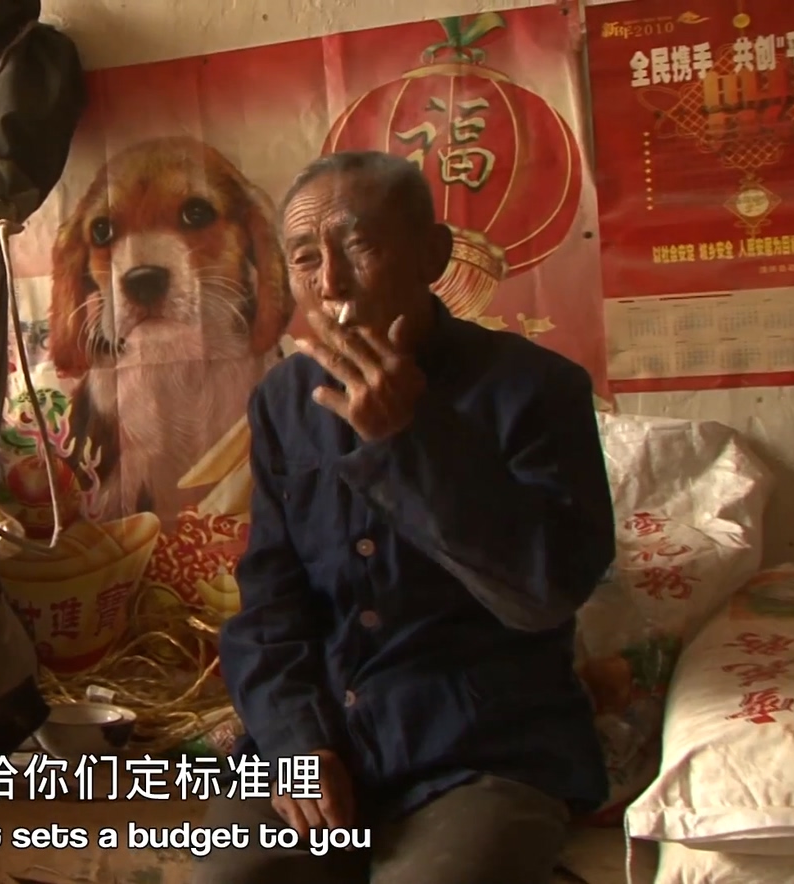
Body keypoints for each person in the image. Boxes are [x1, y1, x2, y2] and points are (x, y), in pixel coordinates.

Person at [194, 151, 615, 884]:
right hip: (328, 733)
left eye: (359, 245)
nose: (331, 284)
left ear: (433, 255)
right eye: (305, 258)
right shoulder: (285, 402)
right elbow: (269, 605)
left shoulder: (536, 388)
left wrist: (407, 442)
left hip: (482, 747)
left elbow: (545, 592)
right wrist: (294, 743)